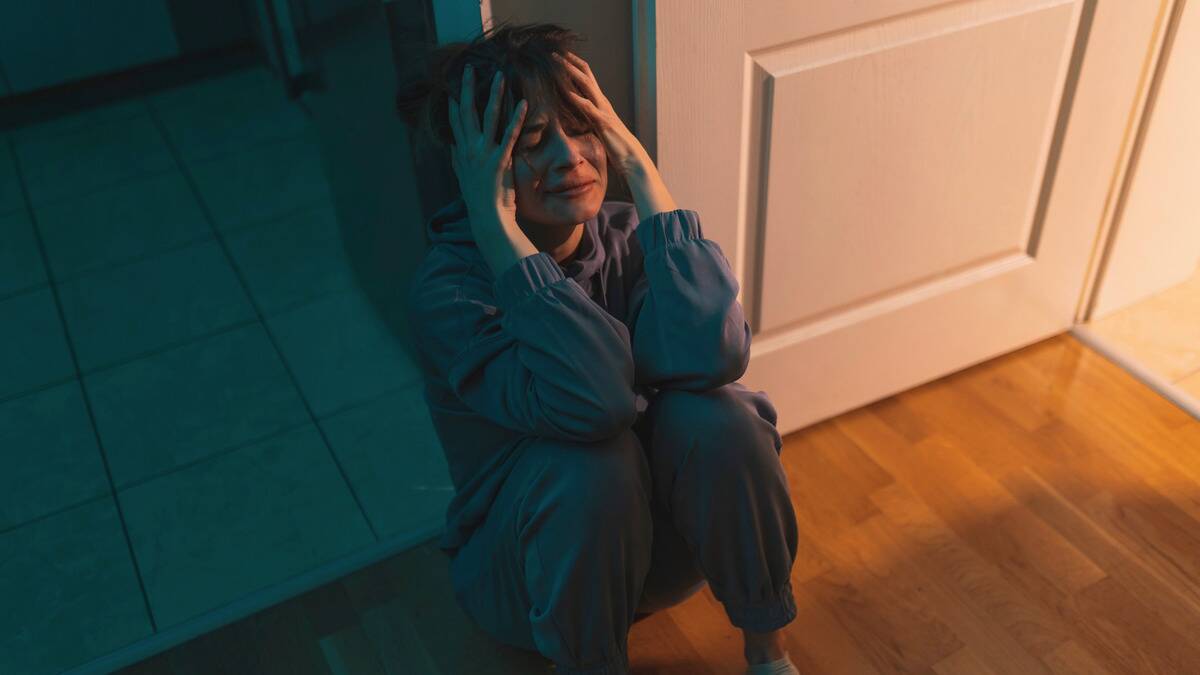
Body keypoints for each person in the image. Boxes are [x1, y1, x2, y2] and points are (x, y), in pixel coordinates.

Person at [397, 20, 802, 675]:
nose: (570, 157)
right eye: (531, 143)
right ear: (477, 170)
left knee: (722, 414)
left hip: (655, 550)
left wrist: (639, 166)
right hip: (533, 576)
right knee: (592, 461)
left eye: (584, 128)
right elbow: (596, 401)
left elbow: (716, 353)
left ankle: (768, 651)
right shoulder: (452, 295)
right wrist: (496, 230)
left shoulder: (623, 235)